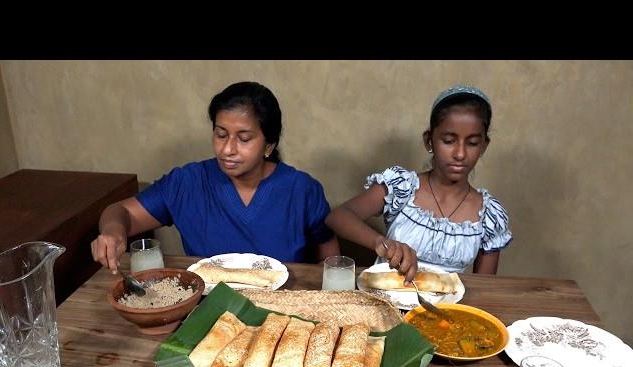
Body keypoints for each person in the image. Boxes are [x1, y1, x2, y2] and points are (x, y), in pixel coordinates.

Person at [92, 81, 339, 273]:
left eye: (243, 139)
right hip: (205, 311)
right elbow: (121, 212)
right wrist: (113, 231)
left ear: (268, 146)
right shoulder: (186, 182)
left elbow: (329, 257)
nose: (227, 149)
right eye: (221, 134)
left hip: (282, 316)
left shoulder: (302, 190)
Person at [325, 85, 512, 284]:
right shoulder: (402, 187)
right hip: (384, 302)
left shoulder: (489, 215)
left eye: (472, 143)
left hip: (445, 311)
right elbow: (337, 217)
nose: (460, 154)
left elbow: (485, 286)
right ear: (429, 141)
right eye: (449, 141)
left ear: (484, 145)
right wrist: (381, 242)